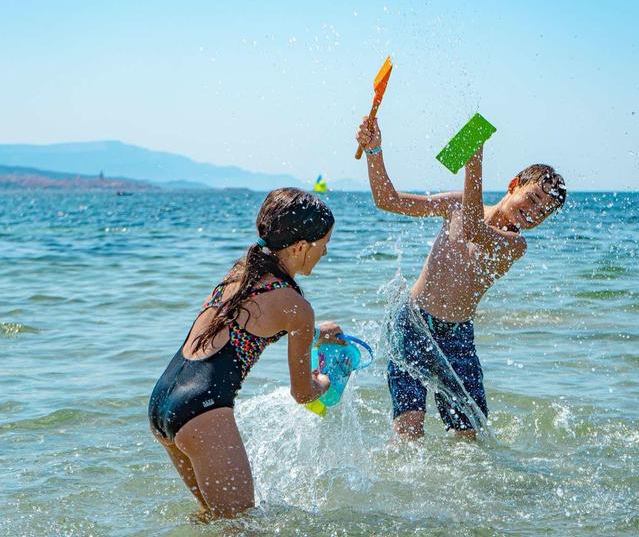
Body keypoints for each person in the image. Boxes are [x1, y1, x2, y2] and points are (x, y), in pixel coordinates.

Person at [355, 118, 567, 440]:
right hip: (412, 321)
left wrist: (474, 161)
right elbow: (388, 200)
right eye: (534, 199)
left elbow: (474, 231)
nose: (536, 212)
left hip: (457, 339)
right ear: (514, 185)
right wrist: (374, 150)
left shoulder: (515, 245)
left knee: (468, 440)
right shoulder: (456, 204)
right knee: (409, 435)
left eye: (545, 212)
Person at [148, 188, 343, 517]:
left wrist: (314, 333)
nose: (325, 253)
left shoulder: (239, 274)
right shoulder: (296, 308)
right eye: (324, 244)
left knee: (213, 519)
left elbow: (246, 327)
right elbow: (303, 394)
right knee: (241, 526)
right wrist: (325, 379)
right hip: (202, 411)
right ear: (300, 247)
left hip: (163, 402)